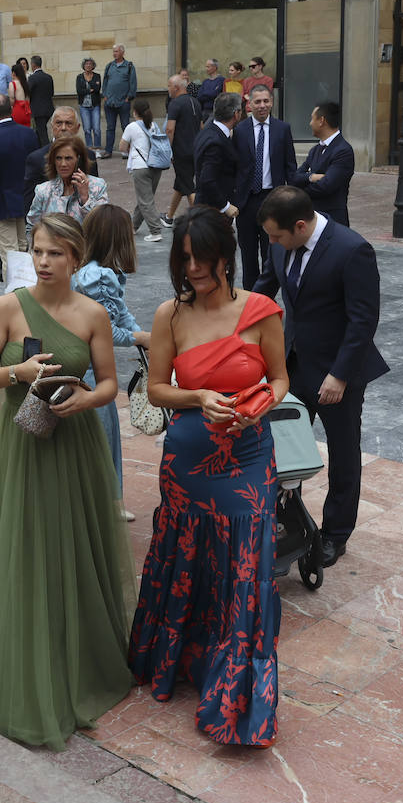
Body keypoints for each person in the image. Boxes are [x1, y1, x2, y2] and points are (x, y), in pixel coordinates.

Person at [0, 212, 133, 748]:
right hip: (25, 442)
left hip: (75, 438)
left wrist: (86, 399)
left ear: (76, 258)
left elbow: (108, 383)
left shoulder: (92, 315)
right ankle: (35, 639)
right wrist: (18, 372)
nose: (43, 262)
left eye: (55, 253)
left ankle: (82, 642)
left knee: (77, 538)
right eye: (37, 251)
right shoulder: (8, 307)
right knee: (32, 538)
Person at [129, 205, 289, 748]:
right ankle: (177, 664)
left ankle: (235, 691)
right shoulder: (169, 315)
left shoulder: (262, 310)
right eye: (185, 258)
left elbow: (282, 377)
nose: (193, 267)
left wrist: (259, 406)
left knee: (244, 563)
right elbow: (155, 390)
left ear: (226, 255)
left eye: (202, 257)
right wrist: (197, 396)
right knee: (185, 556)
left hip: (247, 459)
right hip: (188, 464)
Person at [254, 185, 388, 568]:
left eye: (277, 236)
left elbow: (363, 320)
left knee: (343, 453)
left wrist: (340, 375)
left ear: (299, 226)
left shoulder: (351, 250)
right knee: (279, 445)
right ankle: (283, 522)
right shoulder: (280, 242)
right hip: (294, 364)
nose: (273, 243)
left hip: (337, 374)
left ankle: (335, 534)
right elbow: (264, 291)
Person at [71, 205, 150, 510]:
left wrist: (140, 334)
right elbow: (106, 332)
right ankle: (105, 504)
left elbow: (120, 314)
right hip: (90, 369)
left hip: (88, 364)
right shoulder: (100, 276)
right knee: (101, 437)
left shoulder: (92, 270)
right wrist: (140, 339)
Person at [234, 85, 297, 289]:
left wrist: (292, 199)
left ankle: (265, 300)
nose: (262, 106)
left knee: (272, 255)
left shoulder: (282, 129)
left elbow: (290, 166)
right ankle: (250, 301)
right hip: (247, 201)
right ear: (249, 104)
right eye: (257, 101)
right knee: (248, 255)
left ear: (271, 102)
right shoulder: (239, 130)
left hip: (273, 200)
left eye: (266, 101)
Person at [0, 93, 40, 263]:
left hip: (1, 205)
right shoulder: (29, 134)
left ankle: (17, 290)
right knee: (23, 249)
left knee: (9, 255)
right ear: (12, 109)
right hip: (27, 200)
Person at [26, 136, 109, 243]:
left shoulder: (97, 186)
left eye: (68, 158)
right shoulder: (44, 190)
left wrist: (85, 198)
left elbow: (102, 226)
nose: (63, 164)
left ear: (79, 160)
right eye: (58, 158)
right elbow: (32, 227)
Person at [23, 106, 99, 214]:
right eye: (59, 123)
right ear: (52, 126)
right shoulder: (36, 158)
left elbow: (95, 192)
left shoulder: (88, 155)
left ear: (77, 128)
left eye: (68, 123)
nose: (63, 128)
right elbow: (29, 203)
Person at [290, 100, 354, 228]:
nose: (310, 123)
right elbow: (294, 177)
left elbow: (326, 186)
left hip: (333, 220)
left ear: (321, 120)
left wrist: (300, 190)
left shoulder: (343, 150)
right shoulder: (315, 150)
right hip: (313, 218)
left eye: (312, 119)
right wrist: (311, 177)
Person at [119, 98, 169, 241]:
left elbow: (122, 147)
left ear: (135, 112)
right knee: (146, 198)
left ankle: (155, 231)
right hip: (156, 166)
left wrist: (131, 149)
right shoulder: (153, 125)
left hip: (140, 167)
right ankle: (133, 227)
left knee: (145, 201)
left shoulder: (132, 127)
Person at [195, 94, 242, 221]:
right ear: (236, 114)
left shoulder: (209, 130)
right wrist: (226, 206)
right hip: (213, 213)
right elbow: (207, 180)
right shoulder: (216, 142)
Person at [165, 73, 200, 222]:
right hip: (195, 149)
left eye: (169, 86)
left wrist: (169, 151)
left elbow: (169, 129)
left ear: (176, 87)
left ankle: (200, 219)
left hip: (180, 151)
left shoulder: (175, 103)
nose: (168, 89)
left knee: (188, 187)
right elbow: (202, 126)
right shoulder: (196, 102)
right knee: (180, 184)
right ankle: (169, 217)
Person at [102, 45, 137, 159]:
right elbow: (105, 82)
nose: (114, 53)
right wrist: (105, 96)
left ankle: (127, 151)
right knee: (110, 128)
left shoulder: (129, 66)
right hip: (109, 103)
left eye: (116, 51)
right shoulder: (109, 66)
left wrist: (129, 98)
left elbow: (133, 83)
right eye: (113, 52)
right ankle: (108, 151)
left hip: (123, 102)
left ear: (122, 52)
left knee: (126, 127)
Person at [75, 59, 103, 158]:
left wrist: (88, 89)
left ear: (93, 66)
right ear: (84, 65)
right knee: (87, 129)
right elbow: (79, 91)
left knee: (96, 129)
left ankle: (98, 149)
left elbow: (97, 89)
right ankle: (90, 149)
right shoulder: (79, 77)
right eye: (86, 64)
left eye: (90, 64)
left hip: (95, 105)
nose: (88, 65)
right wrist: (90, 89)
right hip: (84, 106)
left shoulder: (97, 76)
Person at [27, 56, 55, 146]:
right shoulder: (48, 77)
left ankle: (47, 151)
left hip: (38, 110)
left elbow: (28, 92)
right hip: (49, 108)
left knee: (42, 132)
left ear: (33, 64)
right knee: (39, 131)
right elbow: (52, 93)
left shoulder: (32, 78)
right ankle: (39, 149)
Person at [8, 60, 32, 127]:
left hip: (17, 108)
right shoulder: (25, 83)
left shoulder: (12, 84)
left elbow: (12, 100)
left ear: (13, 73)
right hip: (26, 110)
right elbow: (28, 99)